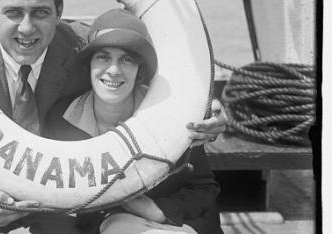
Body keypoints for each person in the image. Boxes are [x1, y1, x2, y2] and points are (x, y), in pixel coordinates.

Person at [0, 0, 227, 233]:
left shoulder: (83, 51)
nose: (27, 28)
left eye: (41, 12)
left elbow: (156, 61)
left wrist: (206, 107)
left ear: (59, 13)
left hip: (56, 209)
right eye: (14, 12)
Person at [43, 9, 223, 234]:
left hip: (180, 225)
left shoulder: (170, 115)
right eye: (103, 57)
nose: (114, 70)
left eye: (127, 59)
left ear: (139, 69)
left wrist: (156, 210)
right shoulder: (62, 121)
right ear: (89, 64)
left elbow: (204, 188)